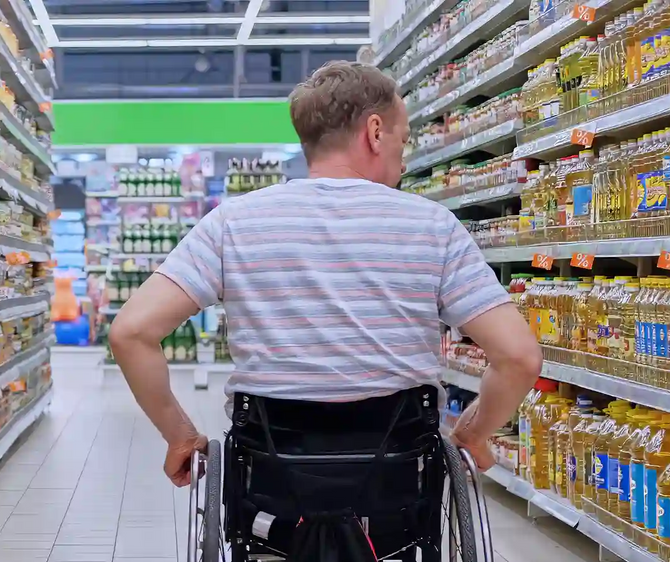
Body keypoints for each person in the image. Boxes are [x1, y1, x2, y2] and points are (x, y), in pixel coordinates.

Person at [109, 60, 542, 486]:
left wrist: (179, 436)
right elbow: (519, 357)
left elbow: (131, 333)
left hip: (271, 473)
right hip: (398, 476)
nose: (405, 160)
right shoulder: (434, 226)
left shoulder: (232, 223)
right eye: (403, 141)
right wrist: (473, 433)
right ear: (375, 132)